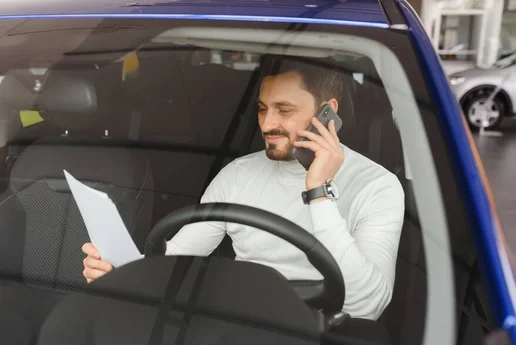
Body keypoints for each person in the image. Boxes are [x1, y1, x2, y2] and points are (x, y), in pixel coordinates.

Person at [82, 56, 405, 322]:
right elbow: (178, 260)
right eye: (263, 108)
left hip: (331, 335)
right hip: (243, 323)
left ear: (327, 110)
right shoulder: (239, 173)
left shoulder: (376, 186)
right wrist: (124, 272)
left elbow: (367, 306)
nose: (266, 124)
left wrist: (318, 191)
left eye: (285, 110)